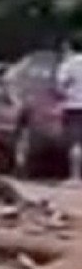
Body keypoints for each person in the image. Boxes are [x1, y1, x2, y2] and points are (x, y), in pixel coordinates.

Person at [58, 38, 82, 178]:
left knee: (76, 143)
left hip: (74, 106)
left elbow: (60, 85)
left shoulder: (69, 64)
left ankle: (75, 176)